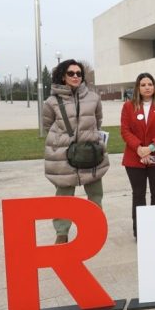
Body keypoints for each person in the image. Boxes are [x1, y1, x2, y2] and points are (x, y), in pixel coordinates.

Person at [42, 59, 110, 244]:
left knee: (95, 192)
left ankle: (95, 227)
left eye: (78, 73)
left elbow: (98, 120)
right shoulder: (51, 101)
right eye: (71, 73)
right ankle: (62, 233)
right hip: (62, 153)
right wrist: (61, 141)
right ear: (63, 76)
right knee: (64, 195)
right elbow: (47, 126)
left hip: (90, 150)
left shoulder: (94, 97)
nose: (75, 76)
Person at [120, 72, 155, 240]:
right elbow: (125, 130)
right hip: (134, 158)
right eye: (143, 85)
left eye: (150, 84)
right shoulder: (128, 107)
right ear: (138, 88)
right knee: (138, 194)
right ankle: (140, 231)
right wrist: (138, 148)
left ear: (154, 86)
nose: (147, 87)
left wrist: (151, 147)